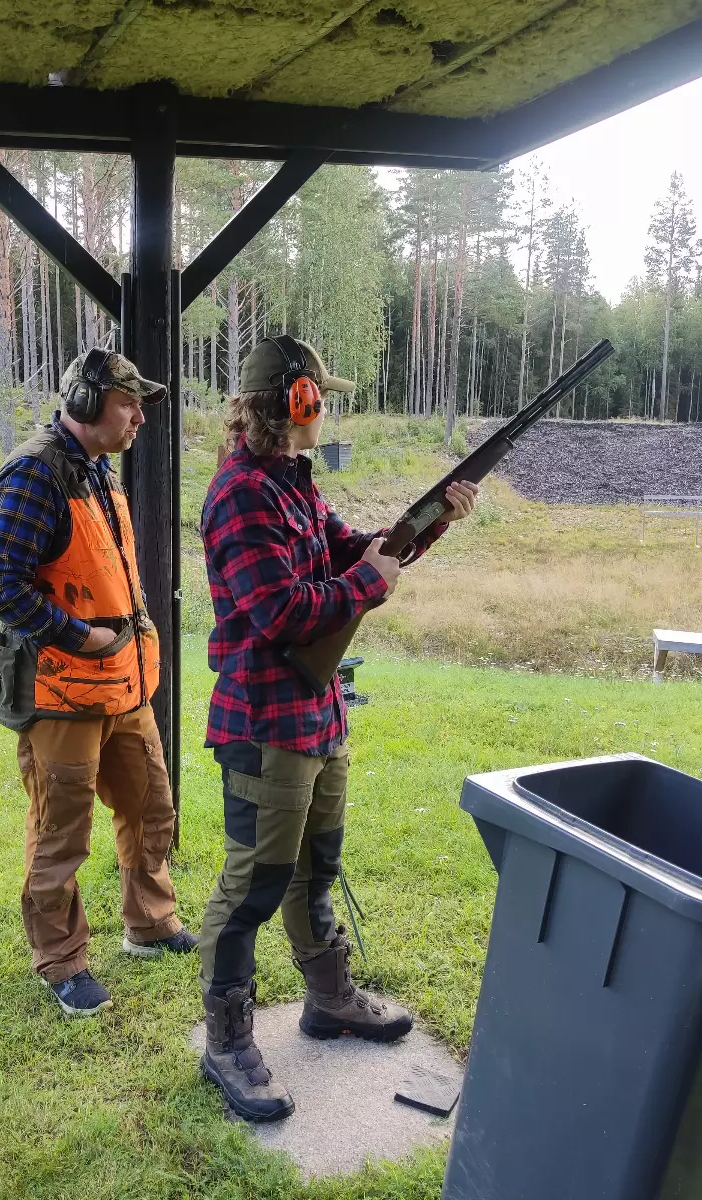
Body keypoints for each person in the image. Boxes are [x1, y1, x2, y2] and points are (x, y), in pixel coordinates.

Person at [197, 335, 478, 1121]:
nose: (325, 410)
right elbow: (280, 612)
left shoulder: (292, 481)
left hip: (317, 713)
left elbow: (355, 551)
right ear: (297, 401)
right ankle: (227, 1042)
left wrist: (431, 519)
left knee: (315, 868)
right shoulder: (241, 494)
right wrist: (366, 583)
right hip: (266, 722)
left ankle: (329, 999)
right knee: (253, 886)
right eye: (320, 397)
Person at [0, 349, 197, 1018]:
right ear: (86, 401)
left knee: (150, 807)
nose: (138, 418)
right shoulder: (35, 474)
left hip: (123, 685)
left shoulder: (97, 471)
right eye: (129, 404)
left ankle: (150, 923)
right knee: (61, 831)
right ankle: (62, 961)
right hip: (63, 693)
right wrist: (81, 637)